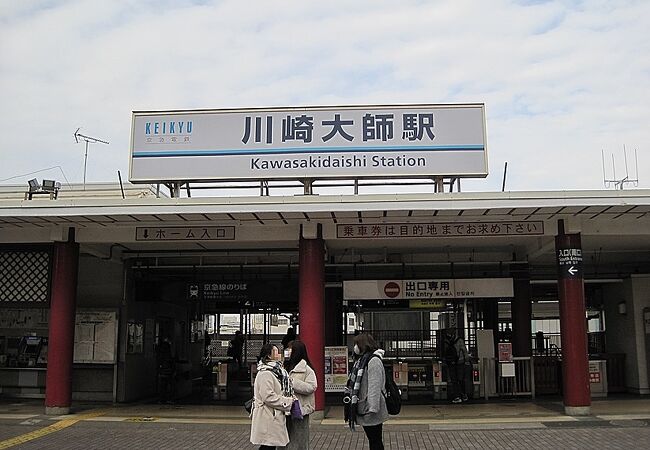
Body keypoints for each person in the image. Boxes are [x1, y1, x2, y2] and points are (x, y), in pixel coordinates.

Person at [344, 332, 388, 450]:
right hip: (365, 407)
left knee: (375, 440)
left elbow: (374, 386)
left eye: (356, 344)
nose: (355, 347)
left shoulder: (373, 361)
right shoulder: (363, 360)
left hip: (371, 410)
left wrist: (372, 408)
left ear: (363, 345)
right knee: (374, 439)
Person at [250, 343, 295, 450]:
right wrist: (287, 401)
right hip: (268, 416)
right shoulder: (266, 373)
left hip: (272, 415)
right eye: (276, 352)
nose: (280, 354)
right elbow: (268, 397)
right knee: (268, 446)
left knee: (269, 446)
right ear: (269, 356)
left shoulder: (277, 371)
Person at [283, 340, 317, 450]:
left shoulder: (306, 370)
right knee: (285, 440)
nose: (287, 351)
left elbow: (311, 387)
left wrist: (291, 382)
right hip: (285, 408)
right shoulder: (284, 367)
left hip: (300, 409)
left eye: (290, 349)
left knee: (300, 441)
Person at [444, 329, 470, 404]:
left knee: (454, 380)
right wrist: (467, 361)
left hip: (452, 363)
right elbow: (464, 351)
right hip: (460, 362)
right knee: (460, 379)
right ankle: (463, 395)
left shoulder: (447, 341)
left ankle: (457, 397)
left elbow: (445, 352)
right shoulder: (460, 340)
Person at [156, 336, 176, 404]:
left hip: (162, 372)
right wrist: (173, 371)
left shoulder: (161, 353)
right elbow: (172, 362)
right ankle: (170, 399)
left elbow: (159, 361)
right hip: (169, 372)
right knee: (170, 386)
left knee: (162, 387)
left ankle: (162, 399)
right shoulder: (169, 353)